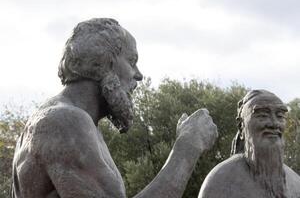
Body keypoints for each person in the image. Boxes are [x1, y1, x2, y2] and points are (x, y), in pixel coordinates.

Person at [11, 18, 218, 198]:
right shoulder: (63, 122)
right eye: (132, 61)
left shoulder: (75, 122)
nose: (138, 75)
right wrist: (187, 148)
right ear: (104, 62)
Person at [198, 90, 300, 198]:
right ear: (241, 127)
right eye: (263, 115)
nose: (274, 123)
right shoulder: (220, 181)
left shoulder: (296, 183)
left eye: (280, 116)